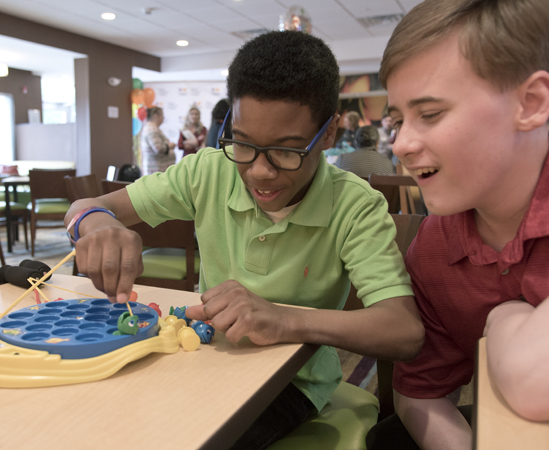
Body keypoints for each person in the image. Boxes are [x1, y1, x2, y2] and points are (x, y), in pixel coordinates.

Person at [65, 30, 424, 450]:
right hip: (202, 354)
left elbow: (404, 330)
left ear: (329, 134)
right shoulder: (208, 171)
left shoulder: (355, 206)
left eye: (287, 151)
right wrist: (96, 224)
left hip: (293, 380)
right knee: (106, 417)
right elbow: (85, 207)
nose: (259, 172)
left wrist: (284, 318)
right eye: (243, 144)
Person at [366, 1, 549, 449]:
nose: (401, 144)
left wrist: (503, 317)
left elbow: (548, 381)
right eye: (397, 120)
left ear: (531, 103)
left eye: (430, 114)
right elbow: (420, 393)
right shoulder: (435, 247)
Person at [140, 106, 175, 175]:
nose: (163, 118)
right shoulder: (152, 129)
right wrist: (169, 146)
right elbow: (158, 148)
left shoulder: (152, 128)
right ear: (155, 116)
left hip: (158, 170)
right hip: (156, 171)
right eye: (162, 115)